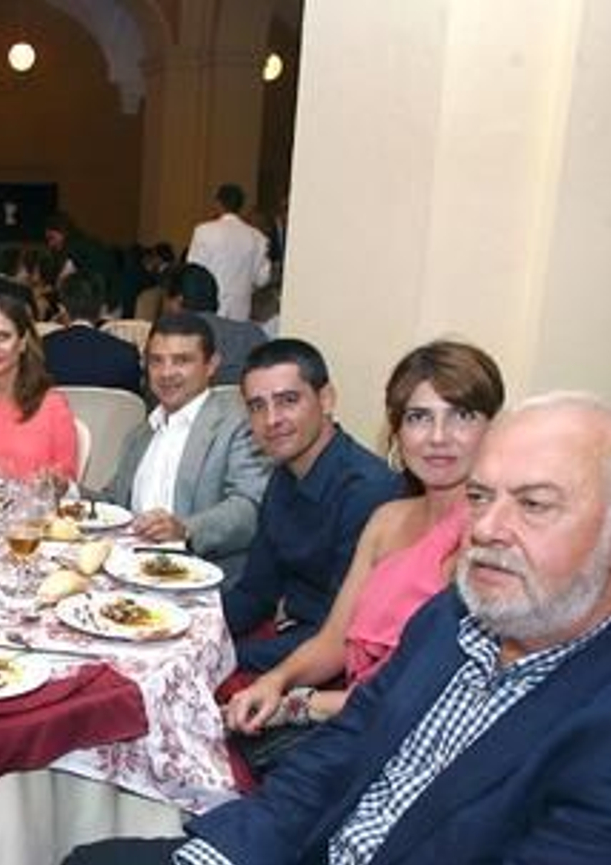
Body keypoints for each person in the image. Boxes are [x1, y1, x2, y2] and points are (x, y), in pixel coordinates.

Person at [0, 392, 611, 865]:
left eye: (534, 504)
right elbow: (337, 756)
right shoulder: (454, 619)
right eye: (479, 497)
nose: (489, 529)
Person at [225, 340, 505, 732]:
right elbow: (335, 640)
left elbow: (432, 694)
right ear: (398, 430)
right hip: (345, 713)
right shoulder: (387, 519)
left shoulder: (493, 538)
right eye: (419, 417)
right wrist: (277, 680)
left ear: (492, 427)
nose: (438, 437)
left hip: (398, 737)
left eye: (460, 415)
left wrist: (303, 704)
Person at [223, 339, 402, 673]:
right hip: (289, 638)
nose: (271, 419)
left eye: (288, 401)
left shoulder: (368, 493)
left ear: (326, 399)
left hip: (335, 666)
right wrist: (188, 632)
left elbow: (339, 638)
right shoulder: (283, 476)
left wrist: (223, 658)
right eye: (257, 407)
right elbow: (255, 593)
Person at [106, 312, 270, 582]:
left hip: (201, 579)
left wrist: (186, 530)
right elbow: (114, 502)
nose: (166, 373)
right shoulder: (141, 433)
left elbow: (250, 506)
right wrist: (70, 490)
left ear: (211, 365)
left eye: (182, 361)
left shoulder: (237, 423)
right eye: (156, 361)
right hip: (131, 573)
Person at [0, 286, 82, 482]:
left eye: (4, 337)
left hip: (33, 511)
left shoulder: (52, 407)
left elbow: (66, 480)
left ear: (22, 342)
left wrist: (54, 481)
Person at [41, 270, 144, 395]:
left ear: (62, 309)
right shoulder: (126, 354)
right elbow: (134, 407)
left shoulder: (39, 351)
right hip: (108, 414)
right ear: (102, 310)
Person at [186, 182, 271, 321]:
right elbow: (262, 279)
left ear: (218, 203)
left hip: (208, 309)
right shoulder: (258, 237)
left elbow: (193, 272)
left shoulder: (203, 231)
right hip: (241, 311)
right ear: (241, 206)